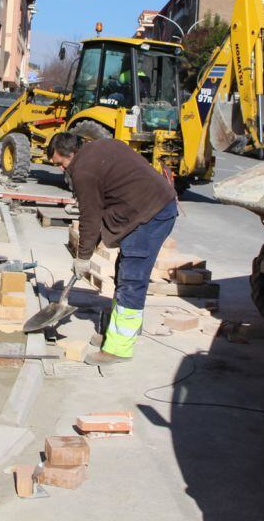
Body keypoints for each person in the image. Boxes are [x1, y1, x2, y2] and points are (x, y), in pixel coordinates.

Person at [48, 132, 178, 366]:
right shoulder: (99, 146)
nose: (61, 169)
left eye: (61, 163)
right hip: (147, 207)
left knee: (132, 278)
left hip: (151, 213)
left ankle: (119, 348)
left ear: (71, 154)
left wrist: (83, 257)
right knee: (124, 270)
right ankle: (118, 332)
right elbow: (105, 199)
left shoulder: (83, 171)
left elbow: (90, 216)